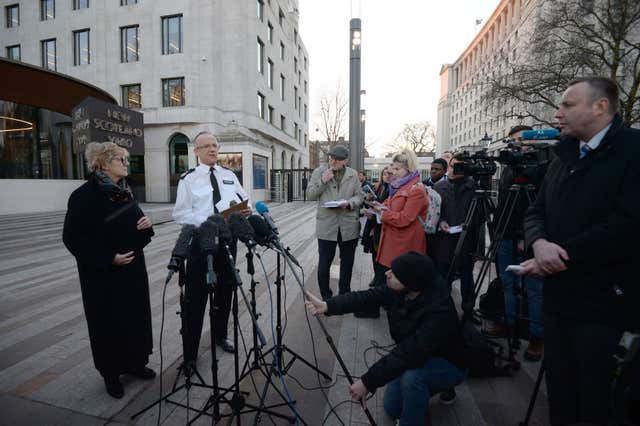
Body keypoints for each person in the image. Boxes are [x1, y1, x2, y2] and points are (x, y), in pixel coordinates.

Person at [516, 77, 640, 425]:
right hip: (559, 301)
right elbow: (535, 210)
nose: (557, 115)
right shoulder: (564, 155)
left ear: (600, 106)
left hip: (605, 305)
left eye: (567, 105)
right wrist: (540, 244)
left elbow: (628, 224)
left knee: (597, 400)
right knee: (561, 392)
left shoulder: (633, 151)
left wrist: (560, 255)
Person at [305, 252, 466, 425]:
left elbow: (409, 353)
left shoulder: (439, 312)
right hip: (417, 352)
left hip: (449, 361)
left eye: (395, 273)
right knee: (392, 407)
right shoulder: (403, 290)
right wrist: (328, 305)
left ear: (412, 284)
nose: (387, 273)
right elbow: (366, 297)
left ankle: (436, 388)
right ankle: (425, 390)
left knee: (412, 379)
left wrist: (367, 382)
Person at [62, 142, 155, 399]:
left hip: (132, 271)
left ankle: (136, 363)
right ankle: (111, 374)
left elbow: (135, 224)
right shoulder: (83, 196)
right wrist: (108, 258)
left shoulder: (124, 190)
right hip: (103, 276)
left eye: (125, 159)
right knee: (108, 323)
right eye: (120, 159)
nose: (126, 163)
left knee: (135, 318)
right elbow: (72, 238)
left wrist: (146, 224)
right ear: (103, 163)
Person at [172, 131, 251, 362]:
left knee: (225, 292)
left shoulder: (229, 174)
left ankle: (220, 336)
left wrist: (245, 210)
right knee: (196, 299)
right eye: (206, 146)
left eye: (215, 145)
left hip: (227, 242)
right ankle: (191, 354)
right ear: (196, 151)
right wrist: (208, 220)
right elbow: (180, 214)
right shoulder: (189, 178)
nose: (212, 149)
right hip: (201, 244)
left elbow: (242, 199)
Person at [484, 125, 546, 362]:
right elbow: (504, 203)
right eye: (512, 141)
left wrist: (525, 236)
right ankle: (508, 324)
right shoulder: (509, 168)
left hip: (527, 237)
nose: (516, 145)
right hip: (504, 233)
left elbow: (536, 207)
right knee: (506, 283)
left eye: (520, 140)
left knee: (533, 289)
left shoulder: (541, 168)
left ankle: (536, 337)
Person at [430, 153, 485, 322]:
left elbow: (483, 215)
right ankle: (443, 312)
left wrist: (468, 225)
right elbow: (433, 214)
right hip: (444, 242)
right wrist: (441, 223)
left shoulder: (474, 187)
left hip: (467, 241)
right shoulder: (439, 187)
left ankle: (468, 310)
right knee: (443, 279)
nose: (456, 169)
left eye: (460, 166)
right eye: (453, 166)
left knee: (467, 279)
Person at [306, 145, 364, 300]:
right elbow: (310, 195)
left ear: (345, 160)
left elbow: (360, 196)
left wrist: (350, 203)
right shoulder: (319, 172)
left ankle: (344, 295)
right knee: (324, 263)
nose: (333, 161)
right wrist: (323, 181)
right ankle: (326, 297)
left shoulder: (352, 174)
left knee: (347, 263)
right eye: (331, 157)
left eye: (337, 159)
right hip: (327, 225)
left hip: (348, 224)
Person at [372, 150, 428, 272]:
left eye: (398, 169)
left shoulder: (416, 189)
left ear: (409, 169)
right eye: (394, 168)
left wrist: (382, 213)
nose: (393, 172)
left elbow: (404, 219)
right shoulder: (398, 186)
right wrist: (380, 207)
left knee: (397, 285)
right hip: (393, 243)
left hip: (404, 246)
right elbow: (390, 206)